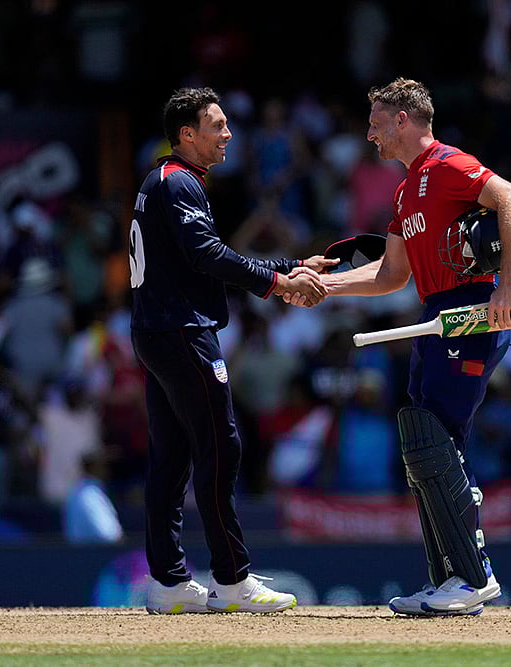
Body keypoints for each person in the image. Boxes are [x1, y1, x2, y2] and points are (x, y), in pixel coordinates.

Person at [290, 77, 511, 616]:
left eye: (376, 121)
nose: (370, 132)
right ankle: (451, 576)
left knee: (437, 438)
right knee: (426, 441)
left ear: (403, 119)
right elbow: (391, 274)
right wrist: (324, 286)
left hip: (469, 308)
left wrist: (510, 286)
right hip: (434, 312)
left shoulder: (448, 164)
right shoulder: (405, 189)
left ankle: (473, 576)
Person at [130, 87, 335, 615]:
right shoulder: (177, 183)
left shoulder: (166, 181)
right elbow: (207, 256)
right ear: (186, 135)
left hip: (158, 332)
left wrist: (286, 267)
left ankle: (169, 583)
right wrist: (280, 281)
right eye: (216, 126)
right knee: (221, 447)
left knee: (172, 457)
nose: (228, 135)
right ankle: (232, 581)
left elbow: (200, 255)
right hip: (180, 331)